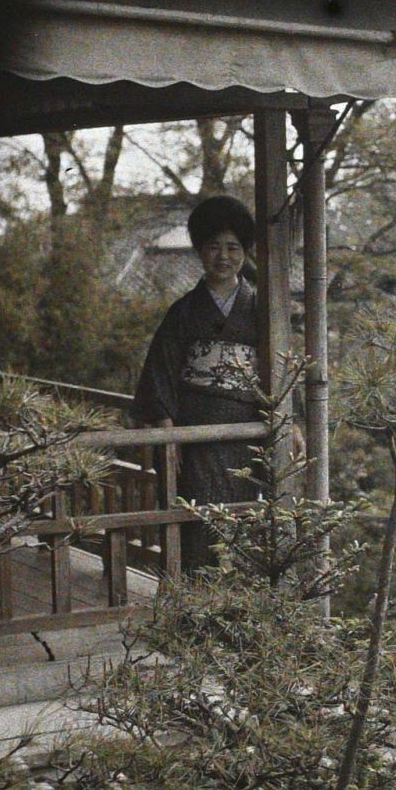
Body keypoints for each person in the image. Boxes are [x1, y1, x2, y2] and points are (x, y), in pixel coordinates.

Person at [132, 195, 264, 572]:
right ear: (200, 251)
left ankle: (239, 608)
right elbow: (161, 371)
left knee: (244, 519)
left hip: (245, 431)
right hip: (195, 430)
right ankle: (195, 601)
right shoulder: (184, 312)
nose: (223, 256)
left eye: (233, 247)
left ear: (244, 252)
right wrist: (167, 431)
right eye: (213, 247)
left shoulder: (260, 308)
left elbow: (280, 369)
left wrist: (293, 421)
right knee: (197, 517)